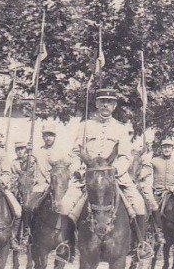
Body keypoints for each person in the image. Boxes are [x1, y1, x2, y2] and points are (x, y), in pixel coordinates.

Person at [59, 87, 148, 257]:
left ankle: (140, 246)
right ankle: (67, 246)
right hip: (87, 176)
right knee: (65, 204)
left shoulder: (121, 128)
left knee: (139, 203)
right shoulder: (85, 126)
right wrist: (78, 169)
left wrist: (115, 170)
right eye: (102, 101)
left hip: (114, 177)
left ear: (114, 106)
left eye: (109, 102)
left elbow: (125, 156)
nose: (105, 105)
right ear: (96, 104)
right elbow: (76, 153)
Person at [22, 125, 66, 239]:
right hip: (41, 186)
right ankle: (27, 232)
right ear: (42, 137)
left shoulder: (61, 152)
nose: (48, 138)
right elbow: (26, 166)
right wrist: (28, 153)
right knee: (27, 206)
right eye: (46, 135)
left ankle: (70, 238)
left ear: (55, 137)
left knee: (69, 208)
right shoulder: (36, 152)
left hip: (57, 187)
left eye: (51, 135)